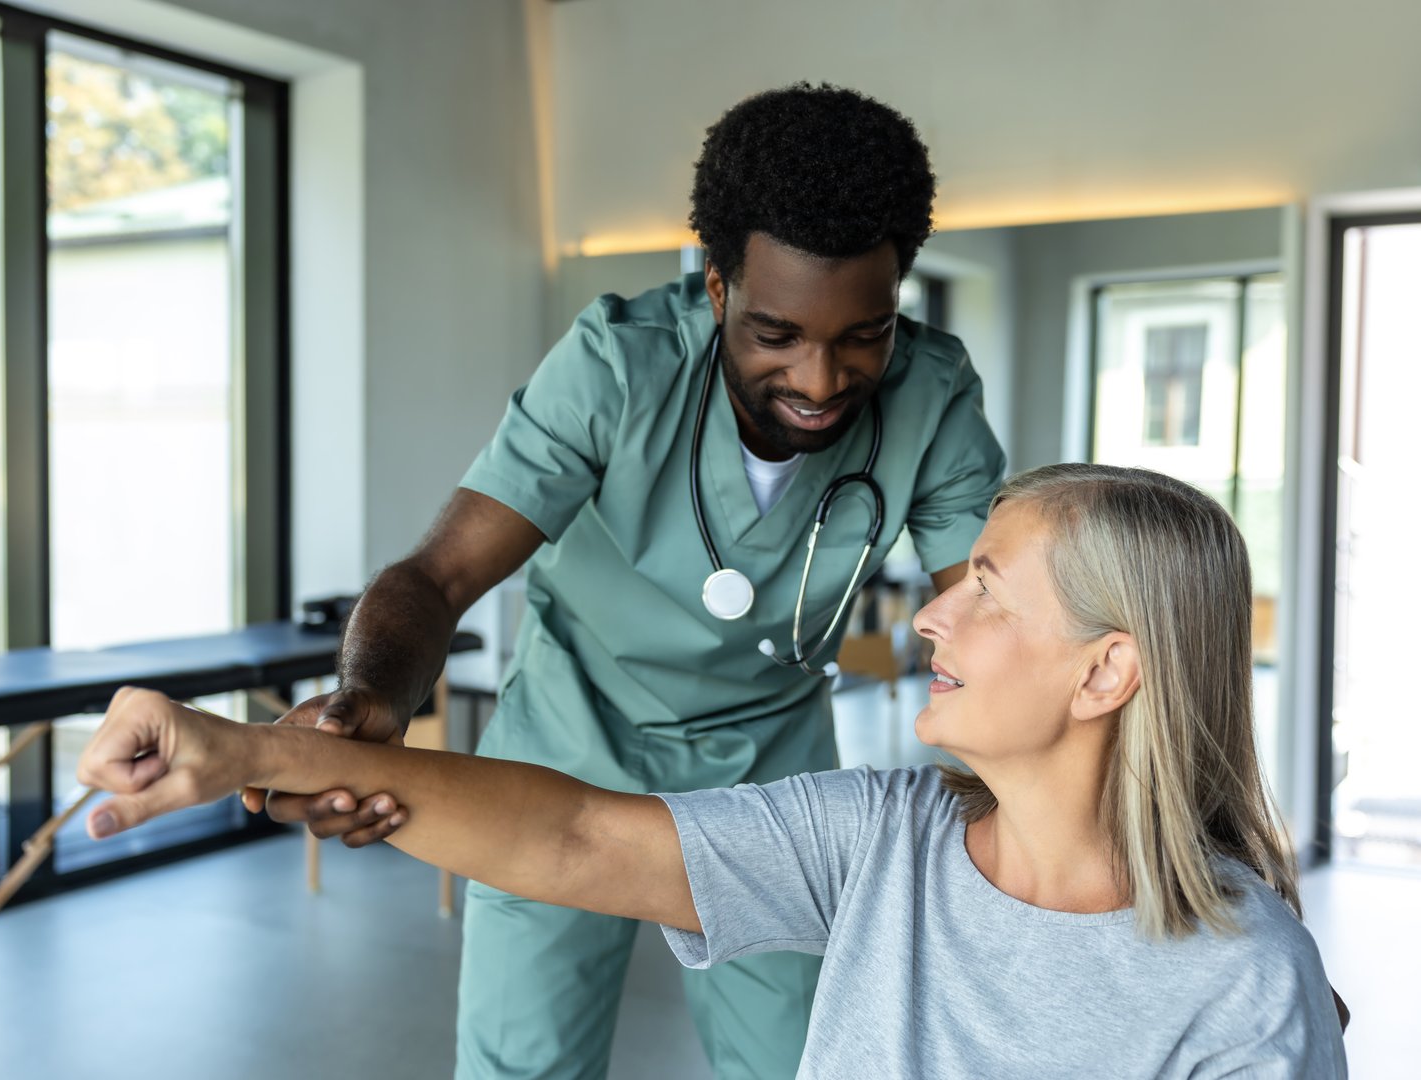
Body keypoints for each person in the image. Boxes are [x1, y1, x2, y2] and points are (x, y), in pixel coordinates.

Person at [80, 463, 1348, 1079]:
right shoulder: (883, 838)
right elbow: (576, 835)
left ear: (1106, 673)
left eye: (989, 597)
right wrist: (238, 748)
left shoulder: (1240, 990)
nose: (930, 619)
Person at [245, 82, 1005, 1079]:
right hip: (565, 744)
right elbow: (438, 576)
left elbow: (999, 616)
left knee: (797, 1059)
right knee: (525, 1060)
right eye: (777, 334)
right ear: (718, 290)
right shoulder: (616, 367)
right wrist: (370, 701)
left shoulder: (933, 398)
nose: (820, 382)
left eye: (861, 335)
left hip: (771, 762)